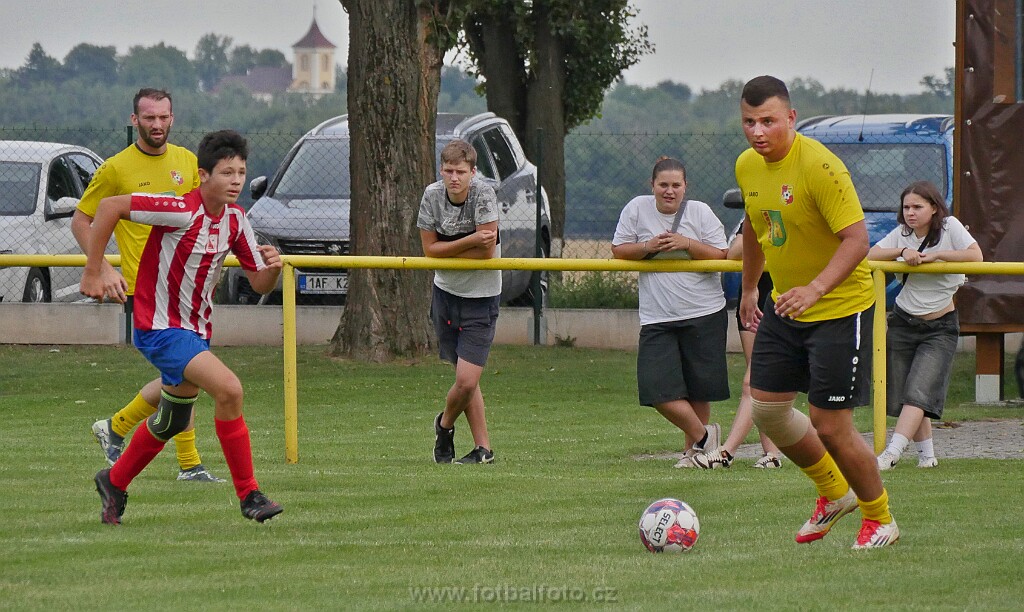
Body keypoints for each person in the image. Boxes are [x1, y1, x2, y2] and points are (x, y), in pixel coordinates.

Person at [81, 129, 284, 525]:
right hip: (158, 328)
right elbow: (108, 207)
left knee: (173, 418)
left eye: (241, 172)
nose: (236, 181)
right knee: (230, 389)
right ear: (203, 175)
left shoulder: (236, 220)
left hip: (195, 332)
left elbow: (259, 283)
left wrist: (273, 269)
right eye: (227, 172)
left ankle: (114, 481)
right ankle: (249, 495)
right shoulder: (178, 209)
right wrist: (94, 270)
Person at [735, 75, 898, 549]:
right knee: (768, 410)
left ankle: (880, 518)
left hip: (840, 308)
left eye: (768, 121)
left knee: (830, 426)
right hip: (786, 305)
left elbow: (857, 240)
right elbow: (755, 227)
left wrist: (816, 288)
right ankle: (833, 492)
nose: (758, 131)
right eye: (749, 122)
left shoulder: (821, 168)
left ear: (791, 118)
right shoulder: (747, 166)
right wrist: (750, 288)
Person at [72, 88, 223, 483]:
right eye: (149, 117)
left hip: (186, 291)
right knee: (188, 373)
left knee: (183, 376)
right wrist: (101, 268)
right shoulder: (115, 168)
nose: (157, 124)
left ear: (173, 118)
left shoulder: (189, 161)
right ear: (134, 120)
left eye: (163, 117)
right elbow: (82, 220)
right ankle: (189, 464)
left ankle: (116, 427)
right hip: (146, 291)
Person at [611, 157, 729, 468]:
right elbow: (619, 249)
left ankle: (695, 454)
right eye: (663, 184)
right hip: (657, 316)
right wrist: (648, 247)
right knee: (656, 389)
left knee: (698, 389)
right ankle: (706, 437)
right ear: (652, 185)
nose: (669, 191)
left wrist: (686, 243)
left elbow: (721, 254)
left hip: (704, 311)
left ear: (685, 187)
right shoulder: (637, 208)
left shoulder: (699, 212)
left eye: (676, 185)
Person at [868, 180, 982, 470]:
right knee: (908, 392)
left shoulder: (950, 227)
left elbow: (975, 255)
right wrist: (901, 252)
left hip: (940, 328)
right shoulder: (902, 233)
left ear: (934, 208)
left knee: (920, 391)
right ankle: (927, 457)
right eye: (906, 207)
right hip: (903, 322)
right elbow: (870, 255)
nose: (910, 213)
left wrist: (938, 255)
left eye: (917, 207)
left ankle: (891, 453)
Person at [418, 139, 500, 465]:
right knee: (466, 379)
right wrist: (470, 240)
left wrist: (447, 249)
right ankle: (484, 449)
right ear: (441, 170)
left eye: (461, 172)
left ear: (473, 172)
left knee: (466, 381)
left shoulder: (484, 195)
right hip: (445, 294)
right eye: (449, 171)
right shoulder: (431, 195)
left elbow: (487, 252)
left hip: (481, 298)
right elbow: (429, 250)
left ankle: (444, 425)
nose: (454, 177)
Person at [692, 221, 784, 469]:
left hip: (784, 304)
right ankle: (771, 453)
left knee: (753, 382)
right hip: (753, 304)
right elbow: (734, 252)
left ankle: (726, 452)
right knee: (761, 383)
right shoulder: (757, 216)